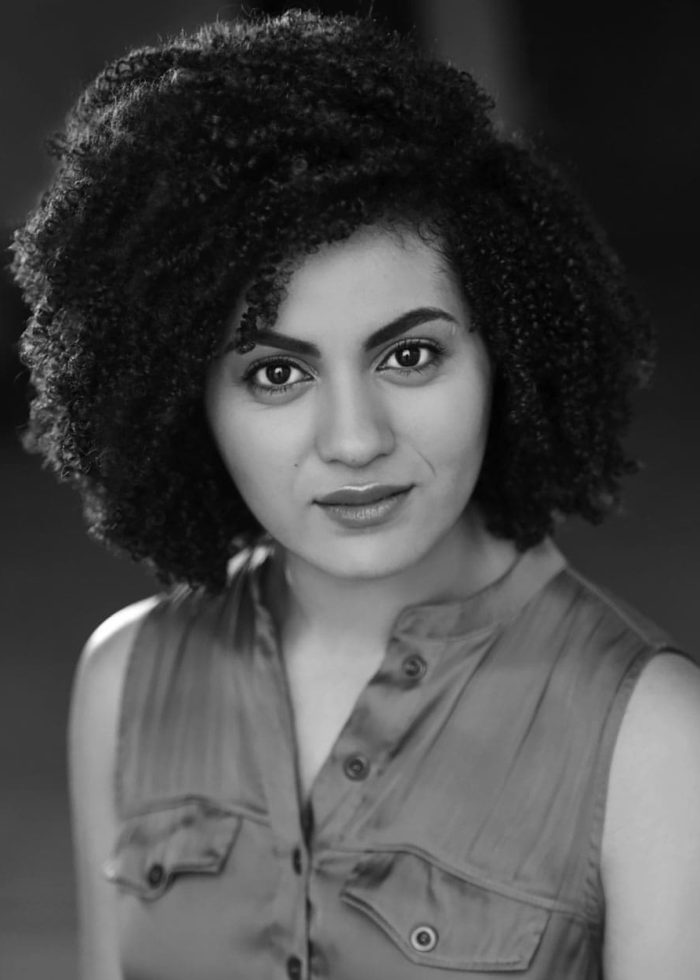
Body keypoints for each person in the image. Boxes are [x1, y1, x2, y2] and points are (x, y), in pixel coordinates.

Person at [11, 10, 700, 980]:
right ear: (182, 397)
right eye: (275, 374)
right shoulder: (126, 677)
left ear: (505, 351)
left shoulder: (655, 738)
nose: (354, 438)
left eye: (409, 355)